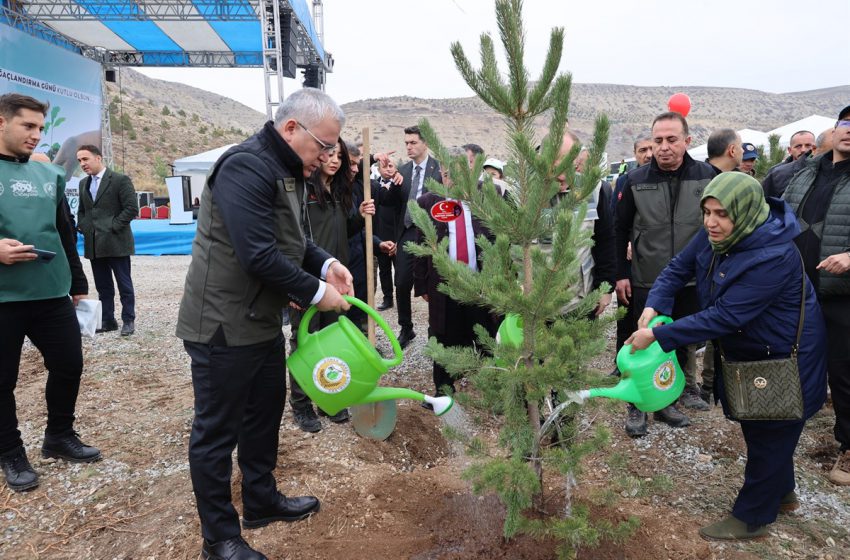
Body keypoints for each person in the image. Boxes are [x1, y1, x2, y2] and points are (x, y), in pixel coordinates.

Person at [176, 88, 354, 560]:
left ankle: (260, 499)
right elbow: (258, 255)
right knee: (216, 431)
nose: (327, 156)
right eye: (323, 145)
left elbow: (295, 241)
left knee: (264, 413)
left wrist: (327, 264)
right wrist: (321, 294)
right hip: (222, 323)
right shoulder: (246, 167)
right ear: (292, 127)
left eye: (333, 148)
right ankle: (219, 538)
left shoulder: (291, 170)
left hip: (259, 321)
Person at [627, 172, 827, 541]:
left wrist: (656, 335)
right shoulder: (718, 237)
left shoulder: (773, 255)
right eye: (706, 211)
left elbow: (726, 316)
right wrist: (655, 304)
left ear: (747, 212)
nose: (710, 222)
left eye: (721, 214)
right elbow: (677, 268)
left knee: (772, 427)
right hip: (754, 348)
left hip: (784, 354)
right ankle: (782, 493)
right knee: (764, 422)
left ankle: (752, 517)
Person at [0, 93, 100, 493]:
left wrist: (76, 282)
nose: (37, 136)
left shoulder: (48, 176)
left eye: (40, 128)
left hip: (50, 292)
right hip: (3, 299)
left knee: (69, 365)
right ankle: (10, 452)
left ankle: (58, 435)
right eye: (28, 126)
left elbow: (63, 231)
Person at [615, 112, 717, 436]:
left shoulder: (708, 176)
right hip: (648, 276)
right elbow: (618, 232)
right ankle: (636, 405)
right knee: (641, 341)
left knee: (681, 340)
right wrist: (621, 274)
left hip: (691, 278)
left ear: (688, 141)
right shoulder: (634, 180)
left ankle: (667, 398)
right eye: (658, 140)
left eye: (672, 139)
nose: (663, 147)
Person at [288, 138, 388, 432]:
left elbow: (342, 232)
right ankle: (301, 403)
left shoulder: (339, 191)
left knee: (332, 337)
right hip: (308, 277)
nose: (334, 160)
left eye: (339, 157)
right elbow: (296, 241)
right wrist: (294, 285)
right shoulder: (303, 190)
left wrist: (360, 217)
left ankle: (327, 397)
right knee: (304, 338)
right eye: (329, 154)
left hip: (336, 275)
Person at [782, 105, 850, 486]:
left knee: (844, 372)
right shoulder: (806, 172)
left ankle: (849, 447)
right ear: (835, 129)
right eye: (846, 123)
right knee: (791, 363)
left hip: (842, 296)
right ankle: (782, 435)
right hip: (796, 290)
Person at [414, 149, 495, 401]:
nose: (453, 180)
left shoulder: (488, 195)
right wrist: (422, 284)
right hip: (444, 285)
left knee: (487, 335)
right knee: (444, 334)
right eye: (447, 174)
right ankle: (444, 390)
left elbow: (502, 239)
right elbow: (420, 245)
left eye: (459, 173)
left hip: (481, 284)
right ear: (441, 173)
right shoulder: (429, 201)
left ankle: (493, 388)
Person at [387, 125, 442, 348]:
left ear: (425, 143)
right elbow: (391, 204)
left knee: (434, 283)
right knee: (401, 282)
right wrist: (389, 181)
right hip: (408, 233)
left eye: (413, 143)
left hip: (433, 235)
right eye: (406, 143)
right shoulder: (402, 170)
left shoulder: (439, 170)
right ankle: (406, 328)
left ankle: (435, 331)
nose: (409, 147)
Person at [76, 144, 139, 336]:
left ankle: (128, 320)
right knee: (103, 286)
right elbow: (83, 210)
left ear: (98, 158)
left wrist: (113, 226)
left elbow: (131, 209)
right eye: (79, 161)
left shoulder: (120, 180)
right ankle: (108, 319)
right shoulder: (83, 184)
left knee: (124, 285)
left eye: (85, 159)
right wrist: (84, 226)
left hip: (116, 242)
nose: (82, 164)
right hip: (94, 244)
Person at [609, 134, 653, 378]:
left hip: (654, 260)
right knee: (625, 314)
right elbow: (618, 222)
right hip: (629, 262)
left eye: (651, 149)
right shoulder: (627, 180)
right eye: (642, 150)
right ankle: (621, 363)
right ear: (635, 155)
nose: (647, 154)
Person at [762, 130, 818, 199]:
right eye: (798, 146)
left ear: (815, 148)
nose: (803, 150)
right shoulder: (776, 173)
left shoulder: (823, 170)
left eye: (808, 145)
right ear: (789, 150)